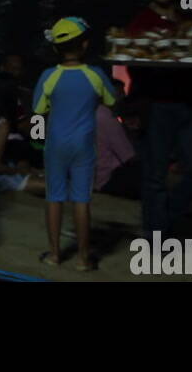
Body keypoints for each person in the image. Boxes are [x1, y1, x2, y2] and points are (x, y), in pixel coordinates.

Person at [127, 0, 192, 238]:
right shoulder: (139, 23)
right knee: (154, 177)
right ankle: (155, 236)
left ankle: (164, 217)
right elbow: (131, 65)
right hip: (155, 106)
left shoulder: (188, 21)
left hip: (188, 106)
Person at [32, 17, 117, 271]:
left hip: (56, 144)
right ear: (85, 45)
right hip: (83, 145)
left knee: (54, 197)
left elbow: (38, 109)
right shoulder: (95, 75)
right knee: (81, 200)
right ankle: (82, 259)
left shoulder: (49, 76)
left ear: (56, 49)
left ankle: (55, 255)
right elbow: (112, 101)